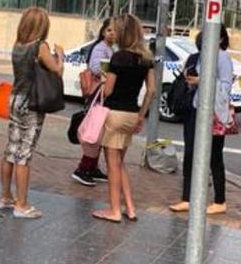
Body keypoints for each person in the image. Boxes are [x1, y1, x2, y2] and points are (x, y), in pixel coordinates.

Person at [0, 7, 64, 219]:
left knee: (11, 150)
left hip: (15, 99)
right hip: (31, 104)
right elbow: (56, 70)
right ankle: (22, 204)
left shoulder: (18, 45)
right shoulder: (39, 46)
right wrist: (61, 55)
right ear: (42, 26)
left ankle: (6, 196)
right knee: (24, 154)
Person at [92, 14, 156, 223]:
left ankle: (114, 210)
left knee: (112, 165)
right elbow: (151, 90)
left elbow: (108, 90)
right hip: (131, 114)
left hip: (114, 113)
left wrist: (103, 82)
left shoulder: (118, 58)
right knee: (120, 162)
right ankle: (130, 207)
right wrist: (141, 115)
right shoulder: (146, 59)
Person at [169, 25, 233, 216]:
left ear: (221, 39)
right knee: (189, 153)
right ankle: (187, 197)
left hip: (213, 113)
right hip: (194, 109)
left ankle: (220, 200)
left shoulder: (222, 58)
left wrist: (202, 81)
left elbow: (225, 87)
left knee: (214, 157)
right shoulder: (198, 57)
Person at [72, 18, 115, 186]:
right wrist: (112, 68)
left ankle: (92, 168)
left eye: (115, 30)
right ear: (103, 32)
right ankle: (83, 169)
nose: (112, 33)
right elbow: (96, 68)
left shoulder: (110, 48)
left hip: (103, 95)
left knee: (99, 132)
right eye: (109, 30)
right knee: (95, 132)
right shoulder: (100, 48)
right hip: (98, 94)